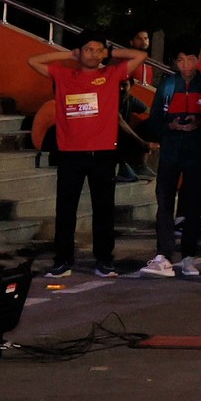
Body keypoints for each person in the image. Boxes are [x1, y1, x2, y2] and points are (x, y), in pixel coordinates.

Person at [30, 35, 136, 277]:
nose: (94, 54)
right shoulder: (64, 75)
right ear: (79, 51)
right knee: (66, 210)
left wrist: (110, 53)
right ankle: (62, 260)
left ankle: (104, 261)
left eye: (98, 50)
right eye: (89, 49)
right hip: (70, 155)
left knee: (103, 210)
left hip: (103, 154)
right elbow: (33, 61)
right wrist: (69, 55)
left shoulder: (111, 75)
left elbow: (140, 56)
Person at [137, 47, 201, 277]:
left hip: (198, 154)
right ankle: (163, 255)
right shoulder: (168, 85)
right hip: (170, 152)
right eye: (180, 60)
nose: (185, 65)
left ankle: (188, 257)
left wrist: (200, 122)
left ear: (197, 60)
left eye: (190, 59)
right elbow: (154, 120)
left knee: (193, 206)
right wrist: (170, 125)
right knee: (165, 203)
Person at [114, 29, 158, 185]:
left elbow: (150, 111)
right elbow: (119, 121)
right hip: (109, 138)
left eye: (146, 38)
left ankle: (139, 165)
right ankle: (125, 166)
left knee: (155, 123)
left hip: (124, 137)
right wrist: (142, 143)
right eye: (140, 38)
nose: (144, 41)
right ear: (131, 42)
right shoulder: (126, 62)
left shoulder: (131, 99)